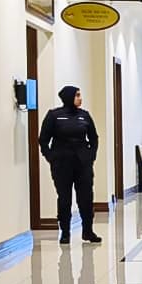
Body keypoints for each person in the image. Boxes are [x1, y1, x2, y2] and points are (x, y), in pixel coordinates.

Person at [39, 85, 102, 244]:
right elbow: (43, 140)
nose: (80, 98)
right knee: (64, 198)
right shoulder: (54, 116)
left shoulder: (84, 116)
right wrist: (51, 157)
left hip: (82, 163)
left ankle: (88, 231)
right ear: (68, 97)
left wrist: (91, 156)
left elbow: (94, 138)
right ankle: (65, 232)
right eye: (77, 95)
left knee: (86, 197)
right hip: (62, 164)